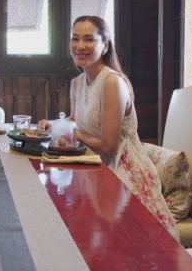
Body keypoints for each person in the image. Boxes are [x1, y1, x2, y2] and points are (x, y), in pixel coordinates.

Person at [38, 15, 178, 239]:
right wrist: (52, 124)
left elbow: (108, 146)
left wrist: (72, 132)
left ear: (105, 46)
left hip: (122, 172)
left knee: (103, 237)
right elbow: (75, 121)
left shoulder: (112, 82)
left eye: (89, 39)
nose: (80, 46)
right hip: (91, 168)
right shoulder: (77, 83)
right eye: (75, 38)